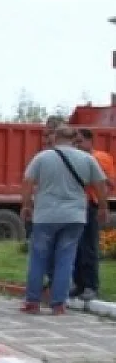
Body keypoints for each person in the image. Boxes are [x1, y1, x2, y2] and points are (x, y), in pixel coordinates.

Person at [21, 126, 107, 315]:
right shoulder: (87, 159)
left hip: (45, 216)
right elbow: (101, 184)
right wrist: (102, 207)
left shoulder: (42, 157)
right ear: (74, 139)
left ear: (56, 137)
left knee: (38, 258)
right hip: (75, 216)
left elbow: (27, 181)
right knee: (66, 259)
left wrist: (26, 205)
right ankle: (59, 304)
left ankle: (32, 302)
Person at [71, 128, 112, 301]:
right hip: (74, 205)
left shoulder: (100, 158)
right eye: (75, 142)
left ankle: (90, 286)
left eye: (79, 141)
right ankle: (78, 284)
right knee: (76, 247)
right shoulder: (74, 158)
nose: (77, 145)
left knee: (89, 247)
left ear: (89, 141)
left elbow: (108, 182)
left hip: (90, 205)